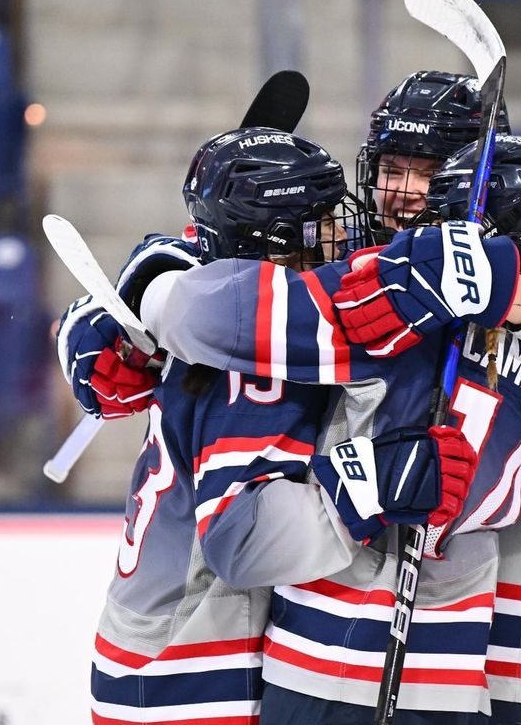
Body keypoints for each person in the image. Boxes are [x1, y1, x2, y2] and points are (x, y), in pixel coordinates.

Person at [95, 134, 521, 723]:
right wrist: (374, 481)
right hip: (225, 661)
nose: (407, 194)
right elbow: (241, 539)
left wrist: (511, 289)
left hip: (453, 650)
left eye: (430, 171)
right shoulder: (356, 297)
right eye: (391, 169)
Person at [60, 127, 476, 724]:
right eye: (321, 222)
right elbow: (241, 539)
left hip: (156, 654)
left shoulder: (238, 320)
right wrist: (376, 484)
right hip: (192, 670)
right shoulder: (255, 365)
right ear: (277, 246)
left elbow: (194, 271)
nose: (341, 232)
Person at [358, 70, 509, 236]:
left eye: (432, 175)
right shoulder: (341, 254)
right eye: (392, 172)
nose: (406, 190)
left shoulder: (516, 261)